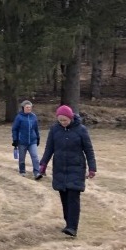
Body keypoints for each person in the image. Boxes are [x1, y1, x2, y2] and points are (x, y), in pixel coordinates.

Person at [37, 105, 97, 238]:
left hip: (76, 167)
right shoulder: (54, 130)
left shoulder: (81, 130)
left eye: (65, 120)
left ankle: (72, 227)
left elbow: (89, 150)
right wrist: (43, 164)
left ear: (70, 118)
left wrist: (92, 168)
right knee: (64, 197)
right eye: (60, 120)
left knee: (73, 197)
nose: (62, 122)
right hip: (60, 168)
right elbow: (49, 148)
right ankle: (68, 223)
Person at [12, 100, 41, 178]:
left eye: (30, 107)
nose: (29, 109)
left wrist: (38, 138)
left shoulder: (33, 116)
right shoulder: (19, 117)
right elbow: (15, 129)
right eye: (27, 107)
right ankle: (22, 171)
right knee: (22, 158)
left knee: (35, 156)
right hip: (22, 141)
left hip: (32, 141)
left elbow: (36, 128)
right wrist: (15, 139)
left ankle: (37, 172)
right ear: (23, 108)